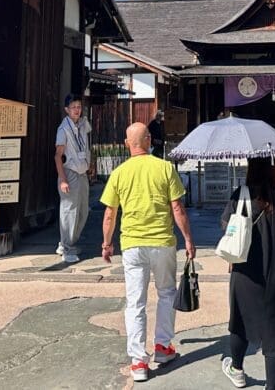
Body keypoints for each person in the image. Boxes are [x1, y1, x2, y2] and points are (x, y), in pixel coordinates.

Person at [101, 122, 196, 383]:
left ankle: (138, 361)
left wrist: (107, 244)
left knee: (135, 303)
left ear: (126, 144)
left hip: (131, 244)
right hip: (163, 242)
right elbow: (178, 208)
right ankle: (163, 347)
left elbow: (110, 214)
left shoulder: (119, 173)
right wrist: (188, 239)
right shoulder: (164, 168)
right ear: (149, 140)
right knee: (166, 293)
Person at [220, 157, 275, 390]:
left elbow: (227, 227)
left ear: (250, 169)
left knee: (239, 324)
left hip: (244, 273)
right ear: (273, 169)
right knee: (274, 334)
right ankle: (271, 386)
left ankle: (237, 370)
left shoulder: (240, 196)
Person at [55, 94, 94, 263]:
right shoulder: (63, 129)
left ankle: (67, 243)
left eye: (79, 106)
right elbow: (58, 156)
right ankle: (67, 247)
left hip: (82, 172)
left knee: (83, 210)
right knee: (69, 211)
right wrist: (63, 179)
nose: (77, 110)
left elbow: (86, 146)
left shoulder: (83, 124)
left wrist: (90, 165)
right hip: (70, 172)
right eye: (73, 107)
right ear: (67, 110)